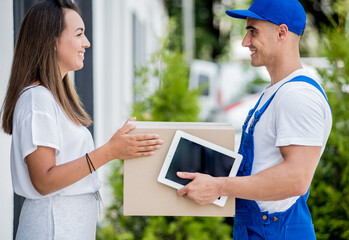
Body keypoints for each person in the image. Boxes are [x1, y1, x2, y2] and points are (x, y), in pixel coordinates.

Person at [0, 0, 163, 239]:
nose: (86, 43)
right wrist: (109, 151)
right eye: (79, 34)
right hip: (52, 228)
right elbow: (43, 181)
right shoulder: (38, 100)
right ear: (51, 41)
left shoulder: (53, 98)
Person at [176, 0, 332, 239]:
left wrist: (218, 186)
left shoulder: (298, 95)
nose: (244, 42)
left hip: (275, 232)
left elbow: (296, 178)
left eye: (253, 31)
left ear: (281, 32)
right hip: (256, 229)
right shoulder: (276, 91)